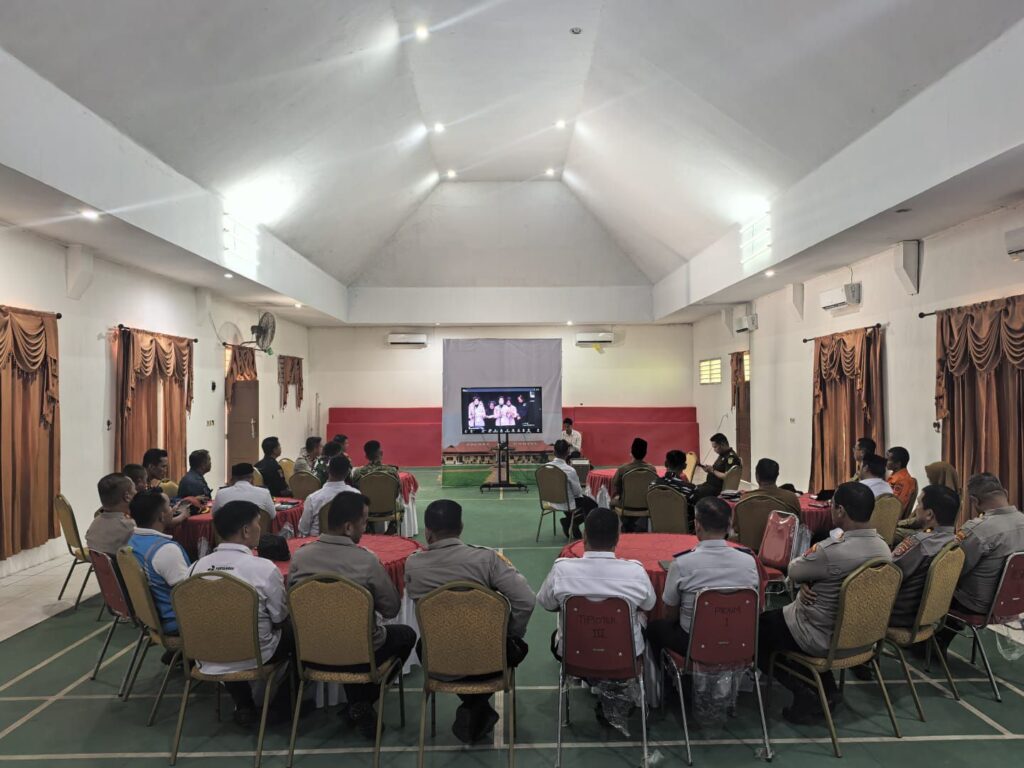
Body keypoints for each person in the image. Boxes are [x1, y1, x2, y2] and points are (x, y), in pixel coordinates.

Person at [757, 482, 891, 724]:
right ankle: (827, 688)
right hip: (863, 638)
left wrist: (806, 581)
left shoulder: (830, 551)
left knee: (756, 632)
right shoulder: (884, 548)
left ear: (840, 511)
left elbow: (794, 570)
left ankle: (807, 692)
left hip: (819, 637)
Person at [404, 500, 536, 744]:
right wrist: (508, 635)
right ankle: (476, 706)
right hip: (490, 657)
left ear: (428, 532)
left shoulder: (413, 564)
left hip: (438, 658)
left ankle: (473, 707)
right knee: (518, 648)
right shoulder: (487, 559)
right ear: (461, 527)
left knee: (425, 645)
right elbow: (526, 600)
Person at [289, 491, 416, 737]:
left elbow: (291, 601)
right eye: (364, 522)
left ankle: (358, 705)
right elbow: (391, 608)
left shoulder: (300, 557)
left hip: (311, 650)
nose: (365, 527)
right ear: (348, 527)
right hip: (360, 652)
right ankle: (362, 703)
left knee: (343, 636)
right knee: (405, 635)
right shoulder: (366, 561)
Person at [537, 507, 656, 733]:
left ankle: (598, 686)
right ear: (618, 537)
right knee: (641, 620)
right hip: (625, 656)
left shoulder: (562, 569)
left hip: (575, 654)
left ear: (584, 536)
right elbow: (649, 605)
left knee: (560, 628)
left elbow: (546, 603)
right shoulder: (635, 572)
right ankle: (618, 693)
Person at [187, 500, 292, 726]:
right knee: (299, 634)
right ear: (246, 530)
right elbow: (280, 618)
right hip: (256, 654)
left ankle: (244, 704)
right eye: (257, 523)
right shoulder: (264, 568)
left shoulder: (195, 568)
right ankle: (282, 705)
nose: (260, 529)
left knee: (223, 631)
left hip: (206, 653)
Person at [647, 497, 760, 658]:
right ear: (729, 526)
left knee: (653, 629)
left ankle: (668, 674)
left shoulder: (681, 564)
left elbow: (669, 615)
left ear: (697, 525)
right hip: (738, 639)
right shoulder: (749, 561)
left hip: (693, 643)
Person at [951, 473, 1024, 616]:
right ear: (1005, 493)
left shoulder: (977, 530)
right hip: (1018, 603)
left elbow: (952, 570)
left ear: (974, 500)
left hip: (976, 606)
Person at [889, 484, 959, 628]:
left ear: (929, 514)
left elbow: (887, 575)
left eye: (919, 503)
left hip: (897, 614)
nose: (917, 508)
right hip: (929, 614)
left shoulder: (920, 544)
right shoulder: (955, 543)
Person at [127, 489, 191, 633]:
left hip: (151, 618)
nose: (172, 510)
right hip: (177, 621)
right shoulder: (166, 550)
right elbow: (187, 593)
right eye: (169, 507)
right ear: (162, 516)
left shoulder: (131, 541)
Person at [543, 439, 598, 539]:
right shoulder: (570, 470)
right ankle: (572, 522)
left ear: (554, 452)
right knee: (593, 505)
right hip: (567, 502)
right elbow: (577, 492)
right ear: (568, 453)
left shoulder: (545, 467)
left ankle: (569, 521)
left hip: (551, 501)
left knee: (575, 501)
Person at [297, 455, 357, 537]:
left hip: (318, 541)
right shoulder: (356, 495)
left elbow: (303, 529)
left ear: (328, 470)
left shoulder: (312, 498)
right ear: (347, 473)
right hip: (348, 541)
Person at [86, 473, 137, 555]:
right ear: (127, 496)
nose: (136, 492)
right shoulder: (130, 527)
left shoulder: (94, 523)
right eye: (135, 490)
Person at [691, 433, 741, 503]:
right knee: (690, 488)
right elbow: (717, 470)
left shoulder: (731, 457)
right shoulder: (722, 454)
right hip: (709, 485)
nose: (714, 450)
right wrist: (708, 469)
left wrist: (712, 470)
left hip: (716, 489)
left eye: (715, 447)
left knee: (692, 494)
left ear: (723, 444)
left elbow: (727, 476)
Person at [886, 447, 916, 511]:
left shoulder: (903, 480)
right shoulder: (894, 476)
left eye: (888, 460)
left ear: (897, 464)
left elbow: (896, 505)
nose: (885, 461)